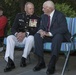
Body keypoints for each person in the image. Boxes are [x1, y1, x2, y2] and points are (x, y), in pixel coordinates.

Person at [33, 1, 71, 75]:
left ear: (49, 8)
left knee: (58, 36)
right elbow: (41, 27)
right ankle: (41, 62)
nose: (42, 9)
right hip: (49, 36)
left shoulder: (60, 15)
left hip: (61, 37)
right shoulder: (43, 16)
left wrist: (49, 33)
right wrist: (41, 31)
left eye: (43, 8)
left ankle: (52, 64)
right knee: (37, 36)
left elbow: (63, 29)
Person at [4, 2, 40, 72]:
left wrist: (25, 34)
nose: (32, 10)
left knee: (31, 38)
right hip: (18, 37)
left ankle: (24, 58)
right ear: (25, 9)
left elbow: (33, 30)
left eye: (33, 8)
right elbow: (13, 28)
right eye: (30, 8)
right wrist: (17, 34)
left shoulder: (34, 18)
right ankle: (10, 61)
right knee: (9, 38)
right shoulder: (19, 16)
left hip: (27, 38)